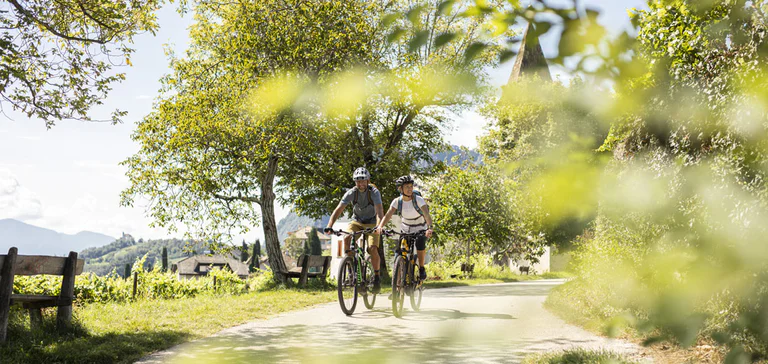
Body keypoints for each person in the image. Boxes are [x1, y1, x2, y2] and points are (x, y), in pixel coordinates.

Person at [324, 167, 384, 293]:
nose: (360, 184)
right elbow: (338, 210)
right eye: (358, 181)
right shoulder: (352, 193)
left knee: (373, 248)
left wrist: (379, 226)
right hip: (357, 221)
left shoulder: (374, 192)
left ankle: (377, 277)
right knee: (346, 238)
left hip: (373, 223)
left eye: (363, 181)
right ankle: (352, 271)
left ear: (368, 181)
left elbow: (379, 212)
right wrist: (329, 225)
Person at [375, 175, 433, 281]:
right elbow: (388, 215)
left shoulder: (418, 200)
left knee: (420, 242)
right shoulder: (397, 201)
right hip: (406, 227)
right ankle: (396, 287)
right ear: (400, 189)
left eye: (411, 186)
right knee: (399, 252)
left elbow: (426, 214)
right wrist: (380, 226)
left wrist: (429, 228)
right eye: (407, 187)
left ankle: (421, 268)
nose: (410, 189)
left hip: (420, 227)